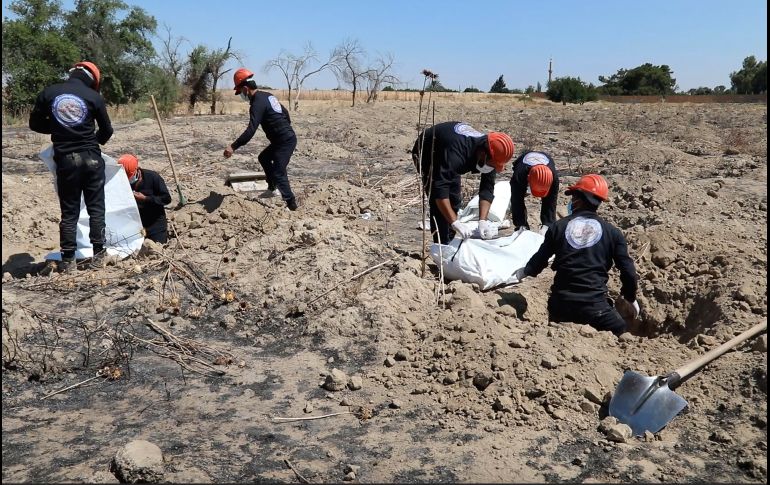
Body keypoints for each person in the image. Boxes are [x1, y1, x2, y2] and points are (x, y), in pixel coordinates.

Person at [513, 174, 639, 335]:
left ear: (579, 199)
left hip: (562, 308)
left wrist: (525, 271)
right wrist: (630, 296)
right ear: (598, 202)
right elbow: (628, 271)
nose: (571, 201)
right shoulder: (613, 233)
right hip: (596, 310)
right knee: (621, 330)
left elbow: (538, 262)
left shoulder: (558, 227)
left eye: (573, 197)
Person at [29, 61, 114, 272]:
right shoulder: (94, 97)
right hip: (92, 159)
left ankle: (68, 261)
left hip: (66, 160)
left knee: (69, 212)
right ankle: (98, 257)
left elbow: (35, 124)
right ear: (92, 79)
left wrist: (60, 127)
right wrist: (92, 139)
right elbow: (107, 130)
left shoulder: (49, 93)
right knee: (96, 208)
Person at [411, 121, 515, 244]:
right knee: (439, 206)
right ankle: (442, 246)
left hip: (448, 152)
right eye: (491, 164)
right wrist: (455, 223)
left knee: (454, 200)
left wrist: (482, 221)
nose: (491, 167)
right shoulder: (457, 155)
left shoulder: (492, 157)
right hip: (427, 151)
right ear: (483, 154)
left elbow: (487, 190)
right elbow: (439, 191)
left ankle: (449, 239)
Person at [223, 68, 298, 211]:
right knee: (263, 157)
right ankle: (272, 188)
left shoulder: (257, 103)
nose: (241, 96)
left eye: (240, 92)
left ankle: (291, 204)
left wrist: (233, 147)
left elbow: (251, 130)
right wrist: (281, 129)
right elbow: (286, 114)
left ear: (246, 88)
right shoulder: (268, 96)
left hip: (285, 141)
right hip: (282, 139)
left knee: (278, 171)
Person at [117, 154, 172, 244]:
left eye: (129, 177)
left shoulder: (153, 177)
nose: (128, 181)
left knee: (156, 248)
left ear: (137, 169)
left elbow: (166, 199)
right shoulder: (120, 181)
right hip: (134, 227)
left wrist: (146, 198)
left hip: (155, 225)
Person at [509, 150, 559, 234]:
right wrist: (520, 224)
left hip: (546, 159)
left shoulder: (554, 179)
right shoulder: (519, 175)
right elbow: (516, 200)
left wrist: (548, 224)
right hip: (523, 162)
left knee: (549, 201)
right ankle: (522, 225)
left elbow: (551, 202)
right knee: (517, 196)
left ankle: (547, 226)